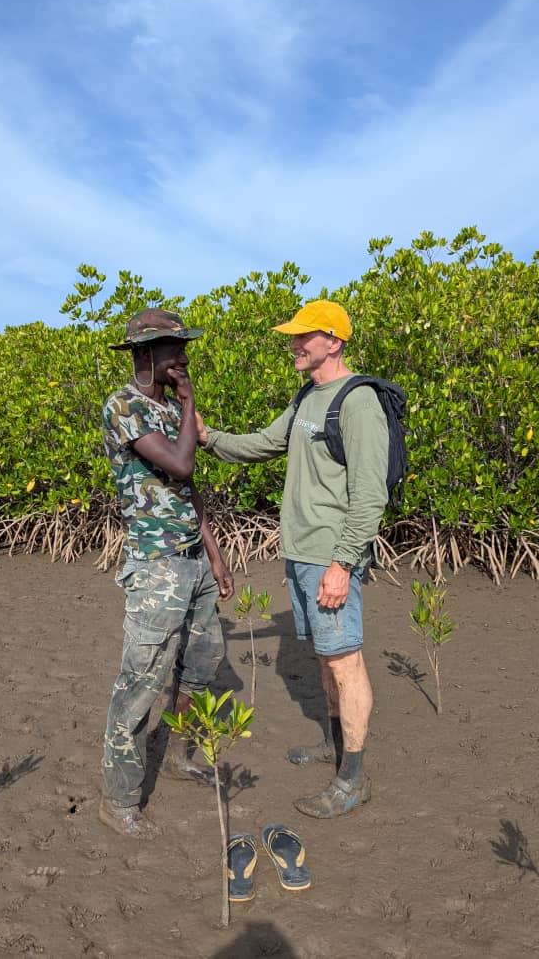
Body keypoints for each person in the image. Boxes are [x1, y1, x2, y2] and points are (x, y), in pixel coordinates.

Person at [197, 300, 388, 819]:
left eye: (304, 337)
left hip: (330, 556)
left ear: (335, 340)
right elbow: (263, 444)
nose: (294, 345)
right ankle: (334, 746)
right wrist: (207, 437)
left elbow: (370, 495)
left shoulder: (359, 402)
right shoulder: (308, 397)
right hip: (301, 555)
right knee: (326, 659)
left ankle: (353, 780)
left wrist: (343, 564)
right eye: (294, 336)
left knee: (345, 661)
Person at [100, 308, 234, 839]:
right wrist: (188, 402)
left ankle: (177, 753)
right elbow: (181, 464)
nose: (182, 357)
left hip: (192, 559)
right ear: (144, 354)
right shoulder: (123, 407)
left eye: (184, 346)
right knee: (140, 682)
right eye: (173, 348)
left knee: (204, 663)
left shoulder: (164, 408)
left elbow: (187, 489)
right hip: (155, 567)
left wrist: (216, 555)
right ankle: (119, 801)